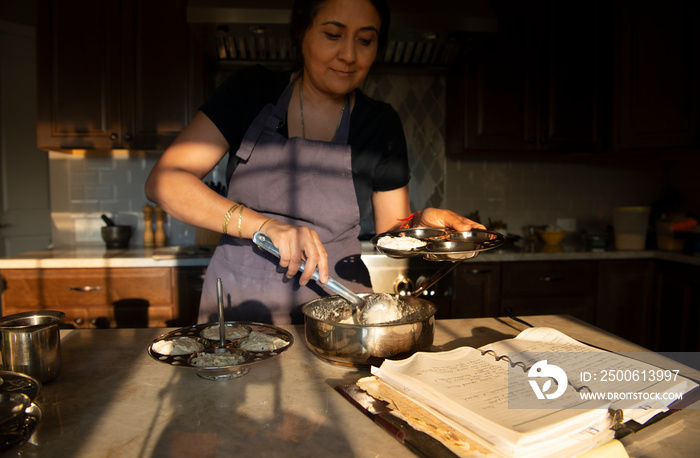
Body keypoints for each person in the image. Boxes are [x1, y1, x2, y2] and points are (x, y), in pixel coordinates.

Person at [145, 0, 483, 325]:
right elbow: (164, 182)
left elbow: (390, 234)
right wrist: (264, 227)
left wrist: (422, 223)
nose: (349, 55)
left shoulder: (380, 123)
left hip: (337, 309)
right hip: (242, 307)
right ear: (301, 32)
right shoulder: (250, 91)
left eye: (365, 41)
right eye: (333, 35)